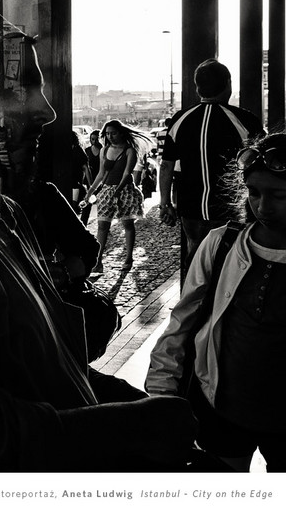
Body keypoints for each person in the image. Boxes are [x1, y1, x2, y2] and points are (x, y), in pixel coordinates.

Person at [0, 6, 198, 471]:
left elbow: (37, 368)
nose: (46, 111)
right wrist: (123, 426)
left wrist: (115, 401)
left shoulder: (1, 216)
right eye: (20, 87)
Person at [146, 132, 286, 471]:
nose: (263, 206)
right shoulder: (221, 245)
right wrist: (161, 390)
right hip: (222, 405)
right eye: (254, 192)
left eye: (279, 195)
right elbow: (184, 320)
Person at [158, 59, 264, 279]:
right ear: (228, 84)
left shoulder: (180, 120)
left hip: (191, 206)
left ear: (197, 88)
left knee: (196, 258)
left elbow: (166, 165)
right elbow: (259, 165)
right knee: (231, 263)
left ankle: (193, 307)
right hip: (231, 206)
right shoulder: (244, 119)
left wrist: (165, 203)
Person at [81, 119, 152, 274]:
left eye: (113, 133)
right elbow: (101, 174)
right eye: (107, 133)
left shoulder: (129, 151)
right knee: (102, 226)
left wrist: (118, 190)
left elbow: (127, 174)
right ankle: (98, 261)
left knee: (127, 224)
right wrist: (90, 192)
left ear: (120, 133)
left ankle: (128, 258)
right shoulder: (104, 150)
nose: (110, 136)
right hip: (107, 190)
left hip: (125, 190)